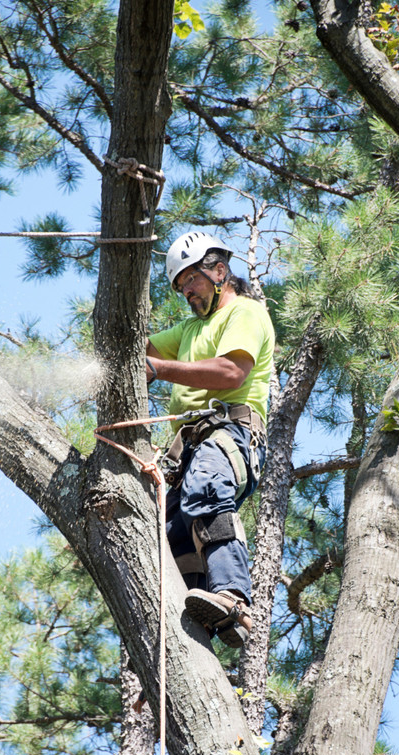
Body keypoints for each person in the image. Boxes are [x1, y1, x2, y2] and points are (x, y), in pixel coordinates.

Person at [146, 231, 275, 648]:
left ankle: (234, 597)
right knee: (169, 535)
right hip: (185, 455)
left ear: (219, 270)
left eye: (192, 280)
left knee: (205, 489)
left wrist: (160, 369)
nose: (186, 292)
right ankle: (186, 634)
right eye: (181, 287)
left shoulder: (245, 313)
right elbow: (139, 351)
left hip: (230, 433)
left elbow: (231, 373)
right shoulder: (186, 330)